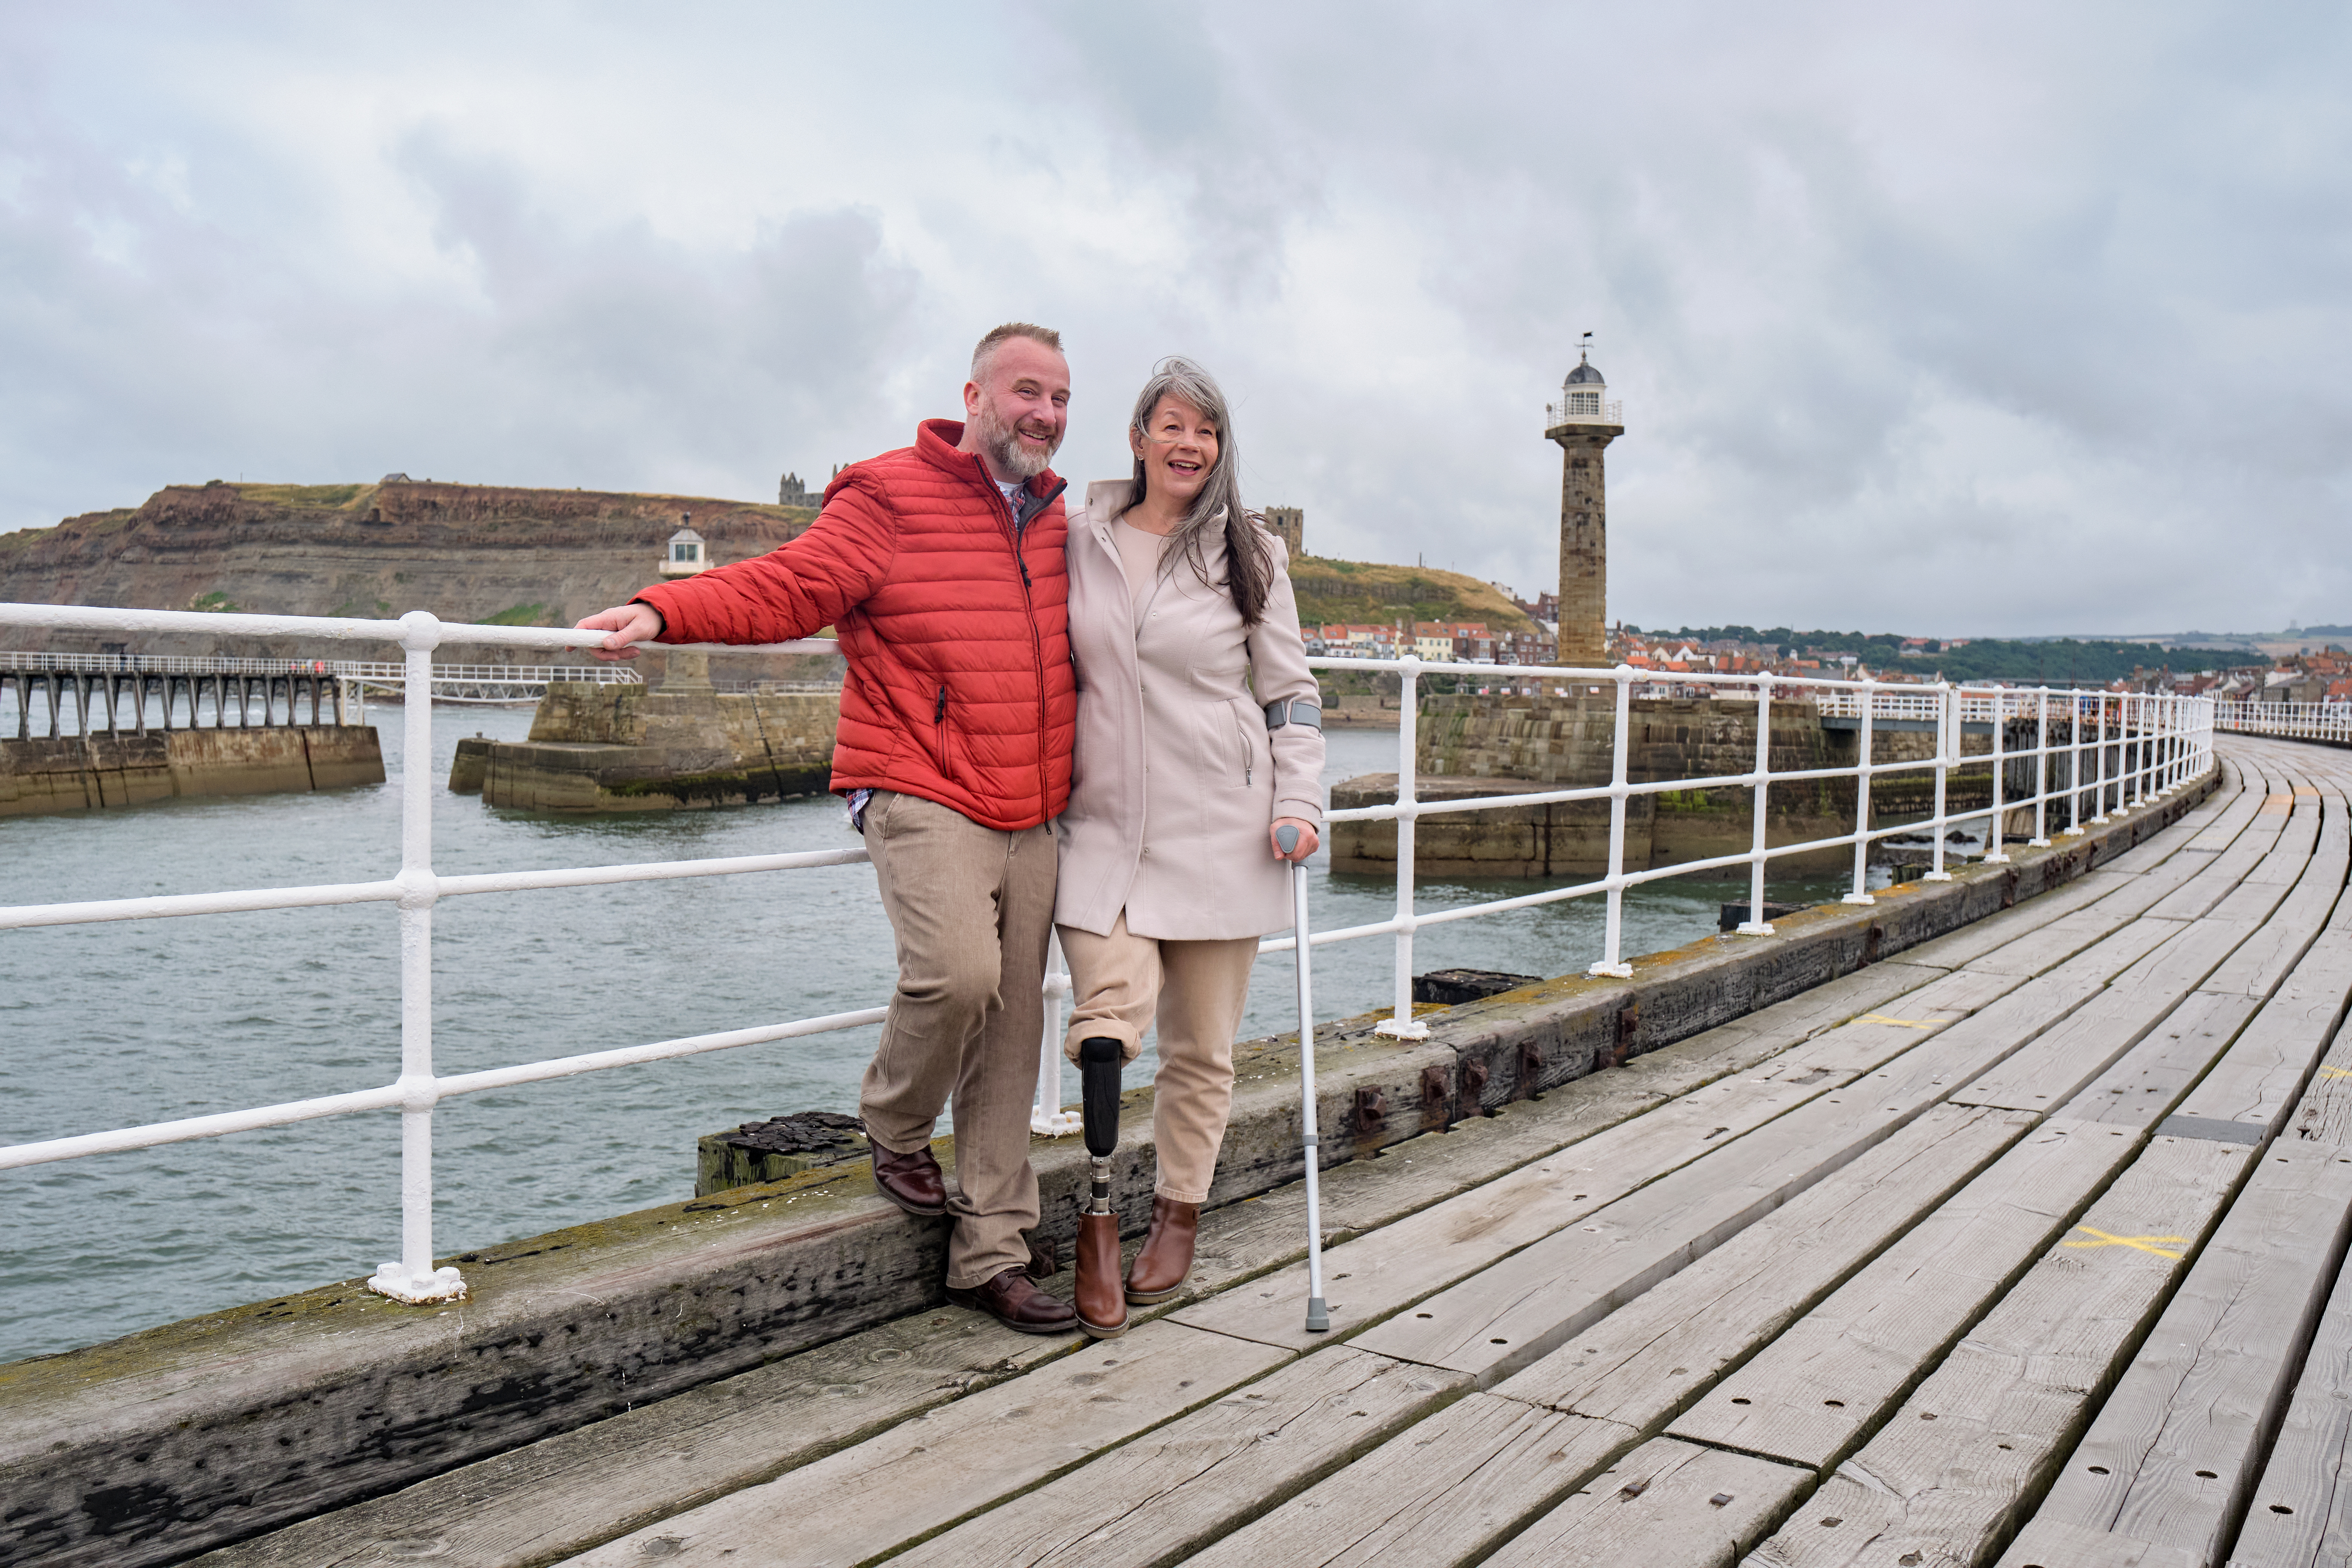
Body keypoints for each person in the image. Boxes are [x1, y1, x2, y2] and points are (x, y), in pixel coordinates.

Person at [574, 323, 1082, 1335]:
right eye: (1028, 391)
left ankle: (991, 1256)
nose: (1047, 414)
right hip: (921, 778)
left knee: (1017, 1031)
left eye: (1063, 399)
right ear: (973, 395)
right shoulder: (887, 492)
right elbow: (792, 585)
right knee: (958, 975)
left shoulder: (1066, 522)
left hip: (1035, 800)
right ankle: (893, 1124)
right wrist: (664, 610)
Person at [1055, 357, 1325, 1337]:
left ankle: (1175, 1214)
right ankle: (1094, 1214)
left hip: (1221, 823)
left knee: (1202, 1047)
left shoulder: (1248, 551)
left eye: (1205, 432)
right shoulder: (1077, 535)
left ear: (1219, 449)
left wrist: (1300, 801)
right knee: (1106, 1020)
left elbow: (1288, 691)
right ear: (1137, 437)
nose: (1187, 445)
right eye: (1171, 426)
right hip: (1105, 828)